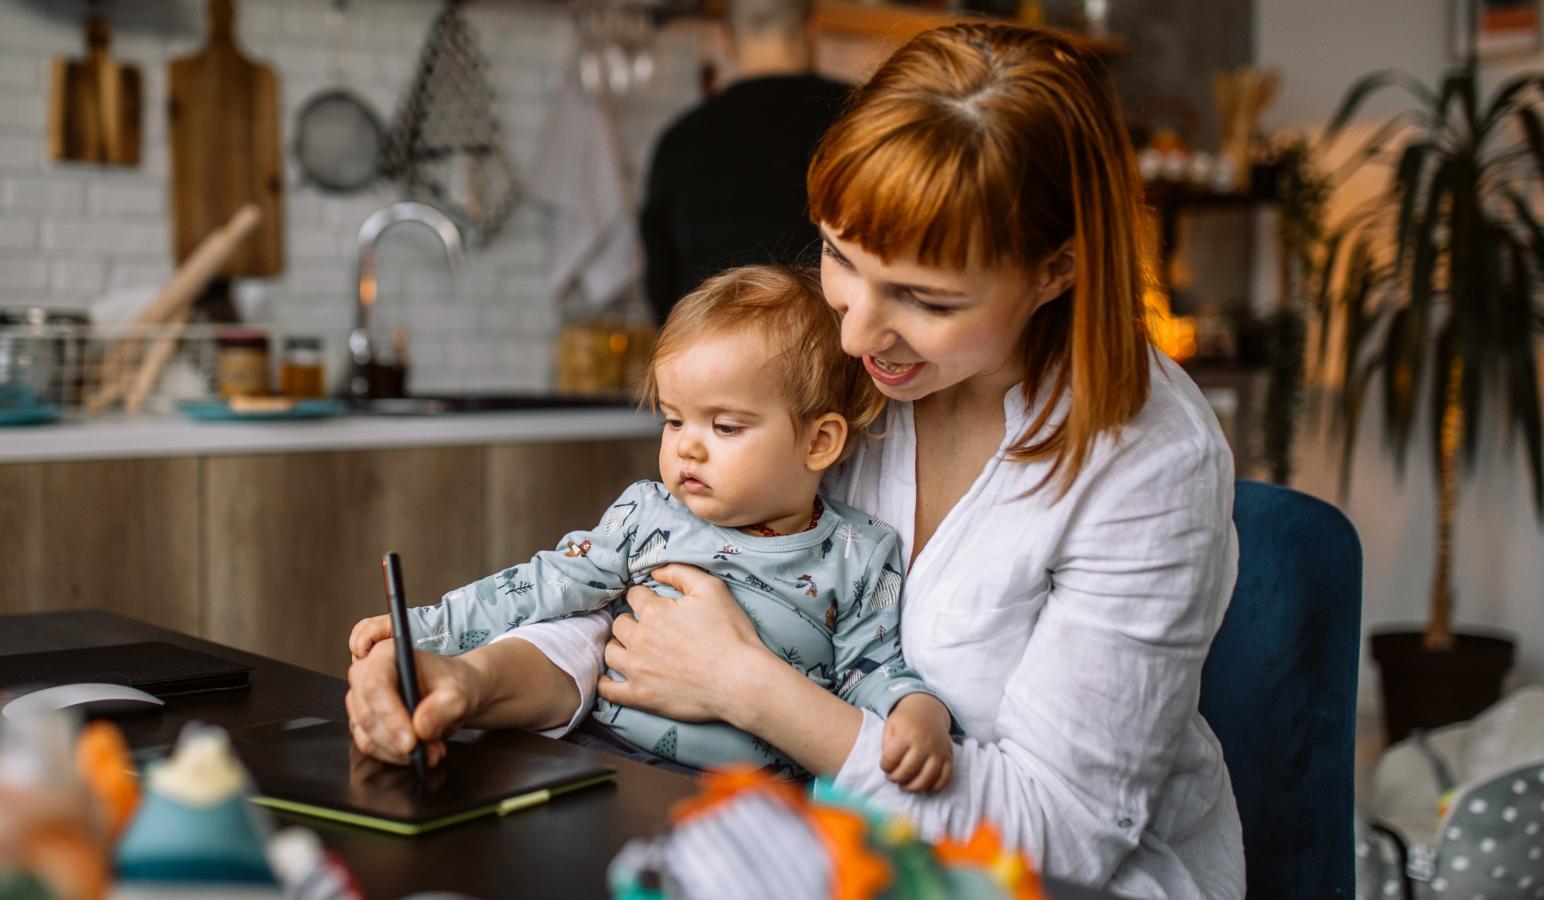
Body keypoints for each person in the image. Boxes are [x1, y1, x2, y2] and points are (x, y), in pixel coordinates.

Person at [348, 24, 1245, 899]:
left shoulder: (1150, 464)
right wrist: (473, 678)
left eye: (926, 300)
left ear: (1057, 270)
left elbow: (1060, 837)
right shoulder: (838, 367)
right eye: (839, 256)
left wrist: (747, 687)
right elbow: (663, 598)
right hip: (784, 838)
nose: (855, 333)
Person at [349, 266, 956, 789]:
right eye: (673, 420)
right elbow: (541, 585)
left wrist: (915, 709)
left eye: (725, 427)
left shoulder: (861, 552)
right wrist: (425, 628)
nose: (687, 447)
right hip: (604, 755)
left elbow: (870, 667)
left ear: (819, 442)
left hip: (756, 800)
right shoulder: (648, 514)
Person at [639, 0, 850, 323]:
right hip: (833, 343)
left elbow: (660, 283)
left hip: (712, 343)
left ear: (725, 36)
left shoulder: (681, 139)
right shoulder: (860, 115)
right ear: (813, 24)